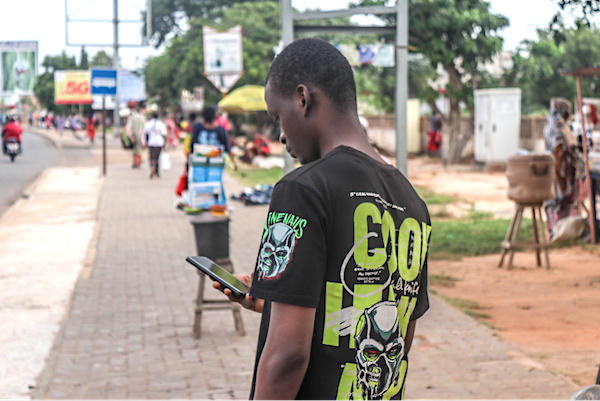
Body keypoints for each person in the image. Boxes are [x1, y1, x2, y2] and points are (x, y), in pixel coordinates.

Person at [212, 38, 431, 400]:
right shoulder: (411, 200)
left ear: (303, 98)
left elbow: (286, 356)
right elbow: (398, 332)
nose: (280, 134)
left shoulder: (301, 189)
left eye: (277, 116)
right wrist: (276, 303)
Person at [543, 98, 579, 239]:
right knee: (560, 200)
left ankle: (558, 230)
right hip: (559, 170)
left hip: (556, 169)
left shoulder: (553, 123)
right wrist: (562, 174)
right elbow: (558, 148)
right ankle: (559, 232)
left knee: (557, 202)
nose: (569, 113)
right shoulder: (557, 124)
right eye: (567, 110)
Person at [191, 105, 238, 170]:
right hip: (215, 165)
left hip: (199, 163)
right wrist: (234, 163)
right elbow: (227, 148)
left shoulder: (197, 127)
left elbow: (192, 146)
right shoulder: (220, 130)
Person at [142, 111, 167, 179]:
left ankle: (153, 168)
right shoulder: (161, 124)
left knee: (152, 157)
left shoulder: (148, 124)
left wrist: (145, 143)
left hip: (151, 143)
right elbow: (164, 134)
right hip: (159, 143)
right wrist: (165, 143)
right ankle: (156, 170)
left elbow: (145, 133)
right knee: (157, 157)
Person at [126, 101, 146, 168]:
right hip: (142, 136)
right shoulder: (142, 117)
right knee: (139, 150)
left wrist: (130, 137)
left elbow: (129, 128)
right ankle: (138, 162)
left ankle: (136, 163)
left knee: (135, 150)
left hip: (134, 136)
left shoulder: (132, 117)